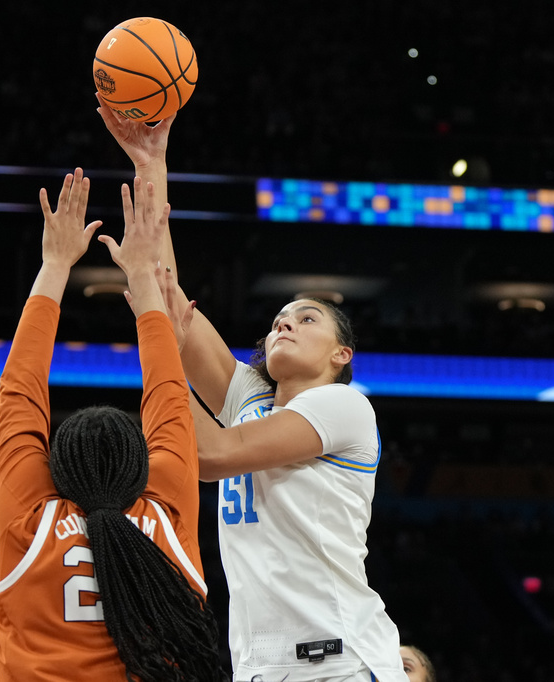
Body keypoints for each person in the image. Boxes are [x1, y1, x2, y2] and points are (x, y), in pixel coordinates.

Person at [98, 100, 408, 681]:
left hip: (337, 662)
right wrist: (150, 160)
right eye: (280, 318)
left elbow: (210, 456)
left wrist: (153, 339)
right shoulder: (251, 399)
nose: (285, 322)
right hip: (262, 666)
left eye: (307, 318)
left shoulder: (344, 407)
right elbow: (167, 290)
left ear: (343, 355)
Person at [0, 167, 225, 681]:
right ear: (142, 466)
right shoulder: (163, 517)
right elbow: (168, 401)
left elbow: (19, 394)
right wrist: (142, 280)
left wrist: (54, 266)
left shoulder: (30, 522)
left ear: (53, 468)